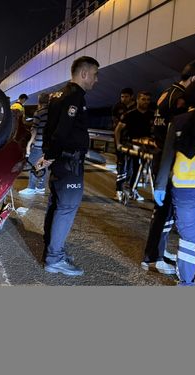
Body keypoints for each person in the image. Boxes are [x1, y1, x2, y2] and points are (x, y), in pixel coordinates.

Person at [35, 56, 100, 276]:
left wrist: (48, 155)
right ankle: (54, 258)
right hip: (69, 161)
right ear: (84, 73)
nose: (96, 80)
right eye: (94, 74)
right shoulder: (75, 97)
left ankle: (52, 249)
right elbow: (62, 131)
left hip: (61, 161)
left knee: (56, 204)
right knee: (66, 208)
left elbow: (48, 129)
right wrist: (51, 155)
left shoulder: (58, 95)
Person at [142, 60, 195, 272]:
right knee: (164, 211)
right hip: (170, 160)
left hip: (161, 155)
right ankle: (153, 257)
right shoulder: (181, 99)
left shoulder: (167, 92)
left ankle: (157, 251)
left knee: (163, 211)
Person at [113, 91, 154, 202]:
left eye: (148, 100)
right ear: (137, 100)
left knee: (138, 168)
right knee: (124, 169)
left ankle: (133, 189)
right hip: (128, 144)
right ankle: (119, 190)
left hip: (143, 146)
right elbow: (118, 130)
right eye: (143, 99)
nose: (146, 102)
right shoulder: (129, 115)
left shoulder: (152, 115)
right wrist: (118, 144)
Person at [19, 92, 50, 196]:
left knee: (33, 164)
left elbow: (34, 130)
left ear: (39, 101)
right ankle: (40, 187)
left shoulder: (39, 112)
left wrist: (29, 144)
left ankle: (31, 188)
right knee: (43, 165)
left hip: (39, 143)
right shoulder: (53, 112)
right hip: (48, 145)